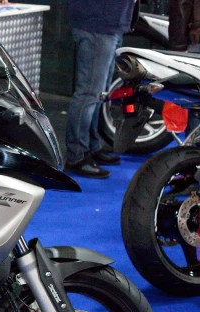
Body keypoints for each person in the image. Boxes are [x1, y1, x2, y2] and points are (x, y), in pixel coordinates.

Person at [65, 0, 138, 179]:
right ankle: (77, 156)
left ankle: (91, 146)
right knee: (89, 93)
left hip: (110, 23)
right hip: (97, 23)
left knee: (99, 92)